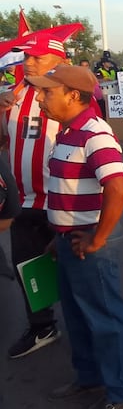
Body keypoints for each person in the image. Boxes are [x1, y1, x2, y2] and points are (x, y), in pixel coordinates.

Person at [27, 64, 123, 409]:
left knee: (105, 319)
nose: (41, 98)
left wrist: (98, 237)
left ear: (74, 95)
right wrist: (59, 235)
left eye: (48, 92)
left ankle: (119, 391)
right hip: (70, 240)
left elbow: (118, 186)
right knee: (77, 316)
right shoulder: (69, 132)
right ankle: (89, 377)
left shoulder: (94, 133)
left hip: (91, 243)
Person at [0, 34, 69, 359]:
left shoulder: (69, 96)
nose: (28, 62)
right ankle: (42, 326)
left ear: (58, 61)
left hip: (60, 203)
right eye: (27, 57)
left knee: (72, 270)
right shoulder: (13, 96)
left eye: (37, 58)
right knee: (28, 268)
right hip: (23, 202)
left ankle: (84, 330)